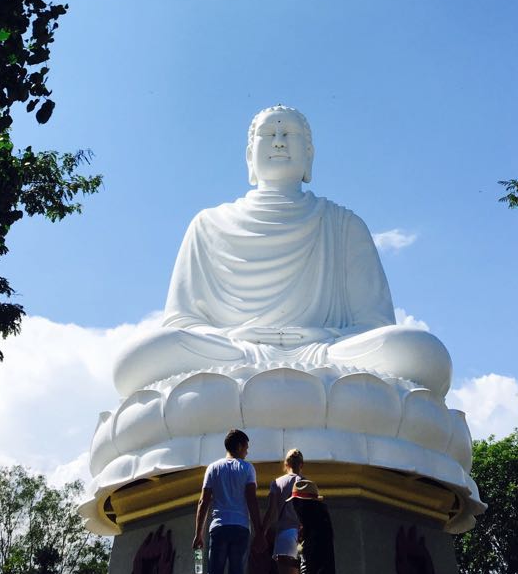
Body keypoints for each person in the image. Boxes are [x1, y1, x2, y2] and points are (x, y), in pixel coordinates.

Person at [112, 106, 453, 403]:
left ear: (309, 155)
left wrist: (320, 338)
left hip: (325, 355)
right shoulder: (208, 224)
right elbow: (182, 322)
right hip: (233, 353)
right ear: (249, 155)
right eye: (268, 134)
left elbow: (373, 325)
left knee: (420, 352)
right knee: (135, 360)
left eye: (288, 133)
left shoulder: (343, 224)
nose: (277, 141)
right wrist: (240, 339)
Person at [193, 428, 265, 574]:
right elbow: (252, 501)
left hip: (218, 526)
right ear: (240, 446)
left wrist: (198, 533)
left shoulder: (213, 468)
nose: (247, 452)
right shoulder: (247, 468)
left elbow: (203, 502)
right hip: (241, 527)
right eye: (246, 448)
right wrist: (259, 532)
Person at [261, 448, 304, 574]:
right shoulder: (306, 483)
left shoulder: (276, 483)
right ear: (301, 465)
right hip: (303, 538)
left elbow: (271, 513)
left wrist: (261, 534)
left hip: (285, 537)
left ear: (285, 464)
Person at [289, 480, 340, 574]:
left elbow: (324, 558)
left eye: (296, 502)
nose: (294, 507)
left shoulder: (319, 526)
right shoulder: (308, 526)